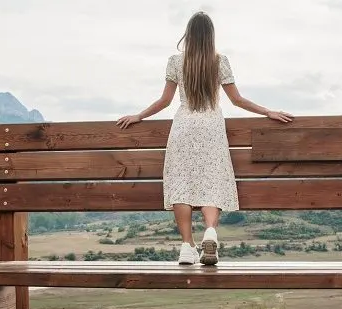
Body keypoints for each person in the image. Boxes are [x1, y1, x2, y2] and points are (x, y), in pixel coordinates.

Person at [116, 11, 293, 266]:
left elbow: (165, 101)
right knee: (211, 182)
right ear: (210, 36)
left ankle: (187, 246)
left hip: (184, 127)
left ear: (188, 34)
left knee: (181, 186)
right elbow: (237, 100)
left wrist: (139, 116)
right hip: (211, 127)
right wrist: (268, 111)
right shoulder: (220, 61)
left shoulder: (176, 62)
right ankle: (210, 230)